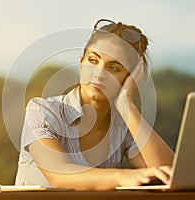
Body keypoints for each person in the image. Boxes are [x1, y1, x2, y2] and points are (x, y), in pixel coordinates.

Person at [15, 18, 174, 191]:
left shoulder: (122, 123)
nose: (99, 73)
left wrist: (127, 106)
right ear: (81, 63)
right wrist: (125, 176)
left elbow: (172, 174)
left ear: (130, 79)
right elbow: (59, 175)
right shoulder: (42, 110)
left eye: (114, 68)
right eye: (93, 60)